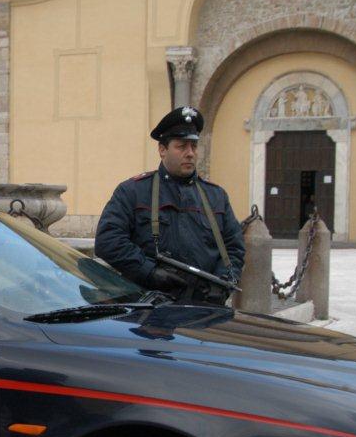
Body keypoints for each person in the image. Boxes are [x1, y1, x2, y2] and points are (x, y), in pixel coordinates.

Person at [94, 106, 245, 303]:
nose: (190, 153)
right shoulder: (133, 191)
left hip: (204, 308)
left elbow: (234, 248)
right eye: (181, 146)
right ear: (162, 150)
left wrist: (223, 281)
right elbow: (108, 241)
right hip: (149, 308)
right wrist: (150, 272)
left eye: (193, 146)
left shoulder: (216, 196)